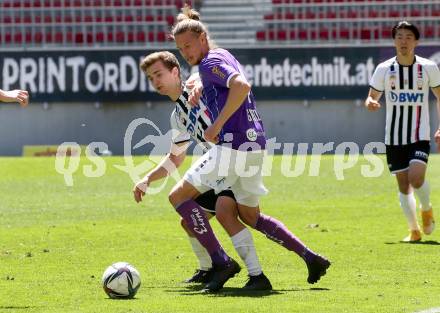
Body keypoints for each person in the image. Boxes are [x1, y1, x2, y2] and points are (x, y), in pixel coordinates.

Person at [169, 5, 331, 293]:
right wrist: (197, 85)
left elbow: (241, 86)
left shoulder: (209, 62)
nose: (186, 52)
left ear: (203, 38)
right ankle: (303, 260)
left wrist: (216, 126)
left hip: (232, 147)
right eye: (181, 49)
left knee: (179, 197)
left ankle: (221, 263)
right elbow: (221, 79)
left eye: (189, 46)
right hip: (254, 146)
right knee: (250, 216)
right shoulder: (222, 56)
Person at [133, 51, 272, 290]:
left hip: (232, 157)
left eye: (159, 74)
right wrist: (148, 178)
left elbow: (214, 80)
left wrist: (197, 79)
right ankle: (213, 269)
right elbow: (175, 158)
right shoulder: (177, 116)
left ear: (175, 72)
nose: (155, 81)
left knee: (216, 210)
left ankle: (226, 265)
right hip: (218, 169)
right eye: (150, 78)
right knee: (192, 221)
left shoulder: (198, 89)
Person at [365, 21, 440, 242]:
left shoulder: (428, 68)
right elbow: (372, 96)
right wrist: (370, 102)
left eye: (408, 37)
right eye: (399, 36)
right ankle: (413, 230)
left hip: (419, 135)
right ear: (394, 40)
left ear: (416, 41)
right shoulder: (384, 69)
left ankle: (426, 208)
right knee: (403, 185)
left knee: (416, 179)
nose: (403, 41)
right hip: (394, 137)